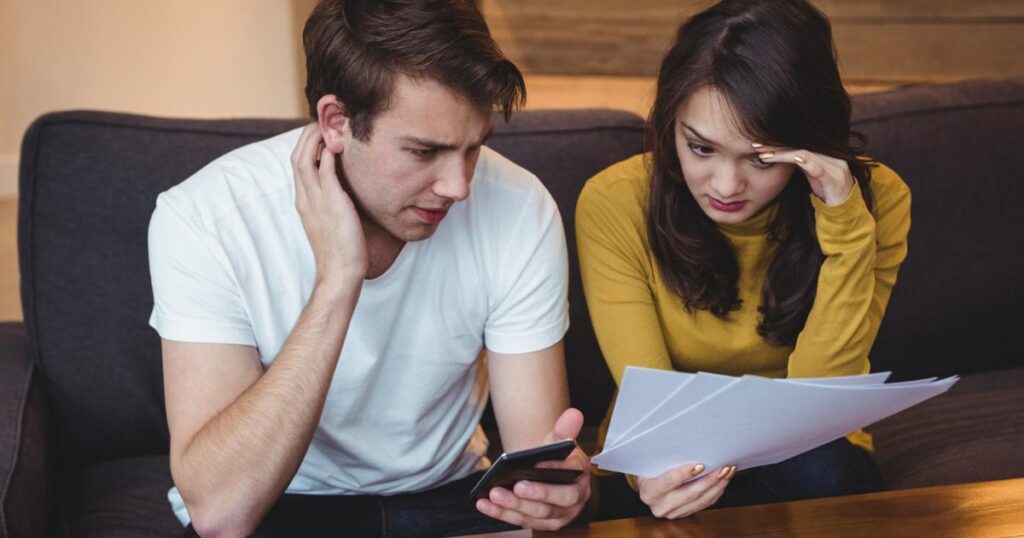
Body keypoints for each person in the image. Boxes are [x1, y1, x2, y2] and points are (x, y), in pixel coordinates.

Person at [147, 1, 591, 535]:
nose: (459, 186)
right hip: (281, 503)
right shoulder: (206, 218)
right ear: (336, 123)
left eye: (473, 148)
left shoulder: (519, 206)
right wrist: (338, 279)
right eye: (423, 151)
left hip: (451, 497)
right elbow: (221, 513)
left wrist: (550, 493)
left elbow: (532, 453)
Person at [576, 0, 910, 521]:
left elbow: (820, 404)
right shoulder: (615, 202)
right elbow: (651, 401)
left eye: (761, 158)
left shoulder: (874, 201)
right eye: (701, 149)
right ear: (669, 124)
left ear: (809, 142)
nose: (727, 186)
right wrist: (658, 474)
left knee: (822, 468)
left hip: (808, 454)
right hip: (666, 454)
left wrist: (843, 222)